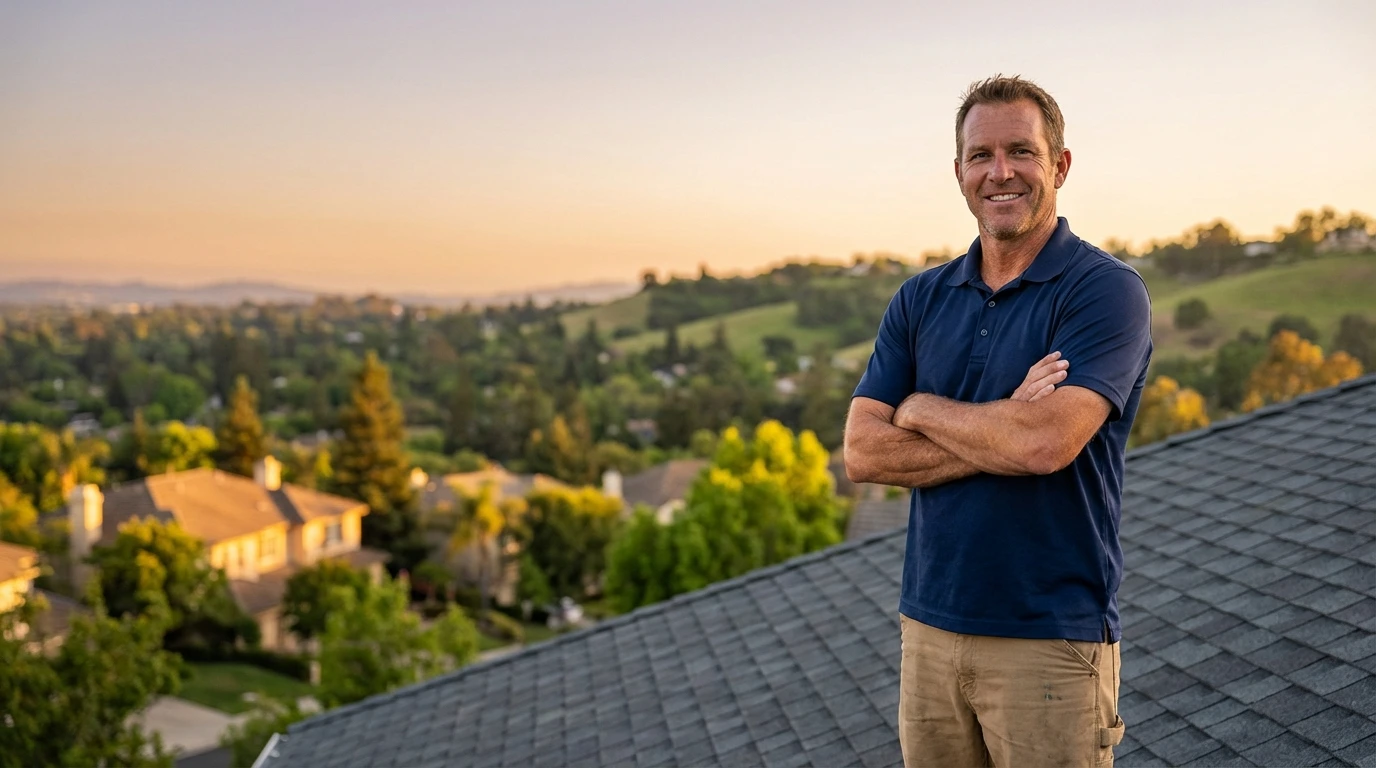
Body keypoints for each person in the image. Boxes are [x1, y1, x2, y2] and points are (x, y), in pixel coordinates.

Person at [844, 75, 1151, 766]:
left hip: (1049, 639)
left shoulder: (1104, 291)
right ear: (959, 172)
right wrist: (1002, 422)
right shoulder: (920, 298)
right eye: (981, 155)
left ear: (1060, 165)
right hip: (928, 627)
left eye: (1022, 151)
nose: (1000, 172)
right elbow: (864, 454)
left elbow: (1045, 444)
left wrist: (920, 411)